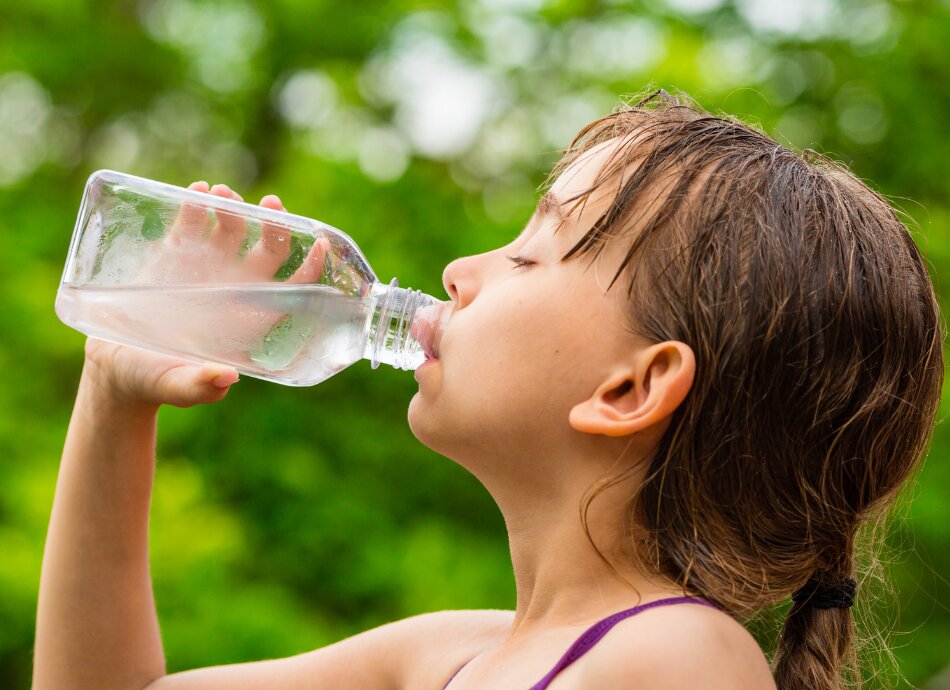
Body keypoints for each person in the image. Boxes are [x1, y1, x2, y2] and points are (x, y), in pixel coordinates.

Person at [32, 89, 944, 690]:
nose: (461, 269)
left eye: (530, 252)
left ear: (631, 388)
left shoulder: (675, 657)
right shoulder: (448, 655)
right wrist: (117, 393)